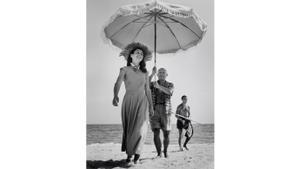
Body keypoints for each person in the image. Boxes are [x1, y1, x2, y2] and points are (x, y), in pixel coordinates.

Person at [112, 42, 154, 164]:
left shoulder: (145, 73)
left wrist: (151, 106)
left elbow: (148, 90)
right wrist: (115, 95)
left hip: (142, 102)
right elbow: (118, 83)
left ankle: (137, 154)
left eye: (141, 53)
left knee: (142, 129)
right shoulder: (124, 69)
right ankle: (130, 154)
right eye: (137, 52)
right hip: (129, 101)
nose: (140, 54)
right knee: (130, 129)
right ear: (131, 55)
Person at [149, 67, 174, 158]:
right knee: (156, 132)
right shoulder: (153, 83)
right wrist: (152, 74)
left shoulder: (170, 84)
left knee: (166, 133)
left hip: (166, 110)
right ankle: (159, 153)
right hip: (154, 109)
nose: (161, 73)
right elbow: (145, 84)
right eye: (159, 72)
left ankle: (165, 151)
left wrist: (159, 87)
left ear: (166, 75)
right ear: (157, 74)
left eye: (163, 72)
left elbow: (169, 92)